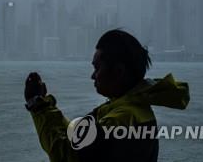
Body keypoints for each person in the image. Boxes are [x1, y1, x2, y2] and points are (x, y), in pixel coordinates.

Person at [24, 29, 190, 162]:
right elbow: (75, 138)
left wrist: (38, 106)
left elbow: (67, 155)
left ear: (118, 72)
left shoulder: (122, 119)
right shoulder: (130, 110)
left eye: (97, 68)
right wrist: (42, 105)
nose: (93, 76)